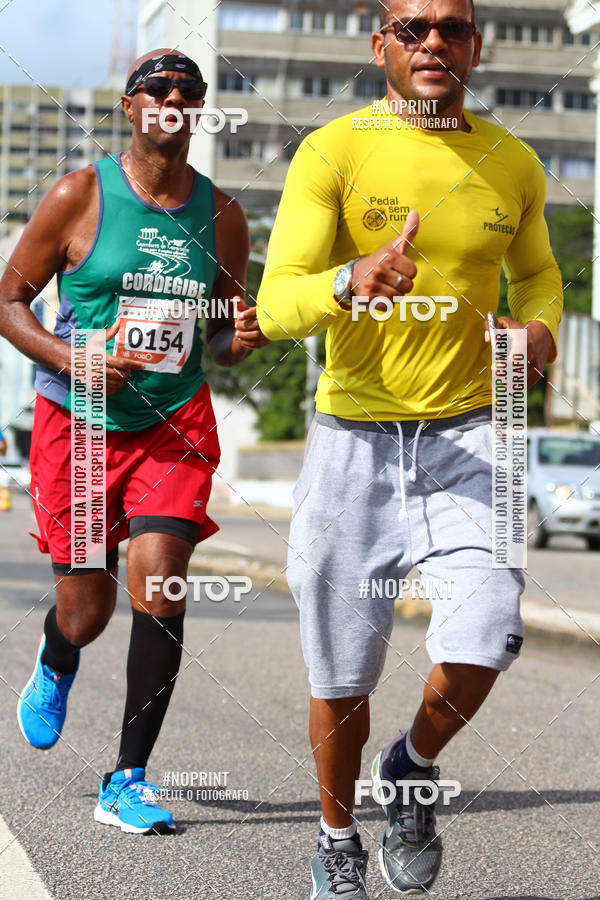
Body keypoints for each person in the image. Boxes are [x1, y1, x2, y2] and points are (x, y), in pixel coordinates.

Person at [257, 0, 562, 895]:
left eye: (453, 29)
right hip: (353, 438)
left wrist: (540, 331)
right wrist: (350, 279)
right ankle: (335, 837)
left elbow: (540, 275)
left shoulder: (514, 160)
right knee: (343, 665)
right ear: (380, 42)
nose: (435, 43)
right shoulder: (334, 150)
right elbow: (276, 305)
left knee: (487, 635)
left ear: (478, 44)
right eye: (416, 27)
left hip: (474, 432)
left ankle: (413, 765)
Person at [0, 48, 267, 835]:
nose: (175, 98)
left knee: (161, 585)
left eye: (190, 89)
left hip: (174, 424)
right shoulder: (79, 195)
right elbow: (10, 302)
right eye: (159, 87)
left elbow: (218, 335)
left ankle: (128, 777)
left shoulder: (222, 214)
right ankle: (57, 655)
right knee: (88, 611)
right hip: (77, 425)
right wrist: (71, 354)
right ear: (130, 105)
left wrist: (235, 338)